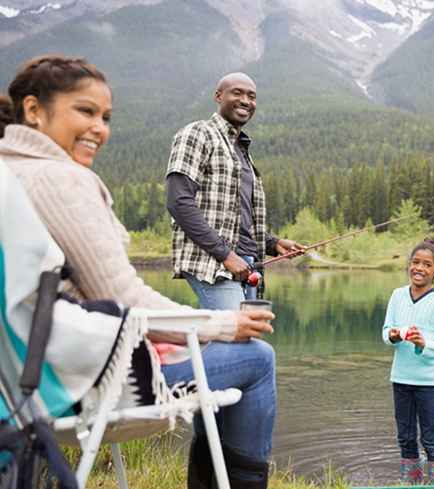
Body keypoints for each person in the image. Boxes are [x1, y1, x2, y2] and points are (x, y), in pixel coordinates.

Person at [0, 55, 277, 489]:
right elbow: (125, 296)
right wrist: (224, 324)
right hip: (77, 387)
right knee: (256, 357)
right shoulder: (60, 179)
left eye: (106, 117)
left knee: (215, 350)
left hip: (16, 388)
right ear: (34, 110)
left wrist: (270, 244)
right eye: (85, 111)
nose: (100, 129)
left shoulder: (8, 174)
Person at [166, 72, 304, 310]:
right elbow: (179, 202)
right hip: (214, 264)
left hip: (248, 264)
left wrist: (274, 243)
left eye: (252, 96)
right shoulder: (198, 133)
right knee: (239, 340)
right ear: (218, 96)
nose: (245, 101)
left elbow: (236, 214)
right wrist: (226, 255)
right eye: (237, 93)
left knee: (243, 339)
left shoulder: (242, 149)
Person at [383, 237, 434, 484]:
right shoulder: (397, 296)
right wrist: (393, 336)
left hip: (430, 382)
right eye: (415, 262)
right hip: (400, 378)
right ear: (408, 265)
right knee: (405, 437)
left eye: (426, 265)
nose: (419, 268)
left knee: (430, 438)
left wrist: (424, 343)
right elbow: (385, 331)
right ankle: (410, 484)